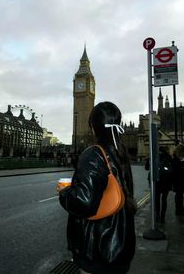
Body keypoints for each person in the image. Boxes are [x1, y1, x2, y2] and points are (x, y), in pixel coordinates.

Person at [59, 101, 136, 274]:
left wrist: (65, 193)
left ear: (94, 127)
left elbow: (84, 203)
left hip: (98, 250)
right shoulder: (121, 153)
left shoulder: (94, 153)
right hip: (121, 247)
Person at [172, 143, 184, 216]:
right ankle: (178, 210)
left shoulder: (178, 158)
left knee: (180, 195)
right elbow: (177, 170)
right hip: (178, 180)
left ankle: (181, 209)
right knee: (178, 196)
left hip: (180, 180)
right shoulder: (176, 159)